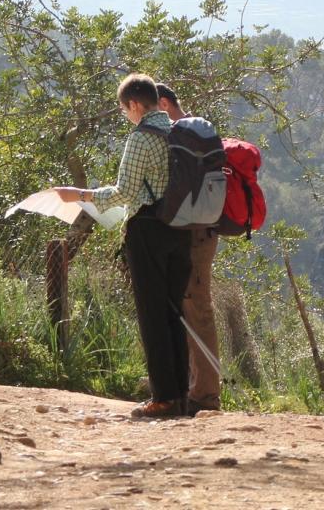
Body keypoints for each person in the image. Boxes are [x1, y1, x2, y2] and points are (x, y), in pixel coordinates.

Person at [53, 74, 193, 418]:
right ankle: (181, 396)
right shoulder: (179, 132)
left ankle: (163, 397)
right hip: (183, 229)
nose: (126, 115)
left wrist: (80, 195)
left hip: (148, 229)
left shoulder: (141, 137)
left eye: (124, 109)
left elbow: (126, 193)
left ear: (133, 104)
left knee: (152, 314)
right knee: (175, 312)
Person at [155, 82, 222, 415]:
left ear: (164, 103)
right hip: (202, 233)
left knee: (197, 310)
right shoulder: (198, 135)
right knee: (186, 310)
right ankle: (189, 388)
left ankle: (206, 395)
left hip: (194, 237)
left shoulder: (183, 136)